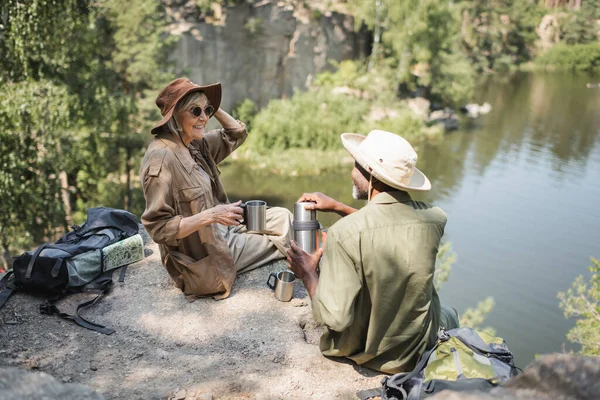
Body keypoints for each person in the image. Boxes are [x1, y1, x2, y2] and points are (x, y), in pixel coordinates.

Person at [287, 130, 459, 374]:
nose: (351, 172)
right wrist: (339, 207)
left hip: (368, 354)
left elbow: (335, 319)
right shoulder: (434, 219)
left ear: (370, 174)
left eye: (356, 166)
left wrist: (307, 273)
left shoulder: (343, 234)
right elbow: (389, 226)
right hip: (420, 348)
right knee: (450, 314)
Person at [140, 78, 292, 300]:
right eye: (195, 111)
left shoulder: (192, 142)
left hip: (222, 229)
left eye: (207, 110)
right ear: (174, 115)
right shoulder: (161, 159)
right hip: (204, 253)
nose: (204, 117)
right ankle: (303, 265)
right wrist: (211, 215)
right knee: (281, 239)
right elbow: (159, 228)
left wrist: (212, 106)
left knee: (284, 217)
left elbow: (236, 133)